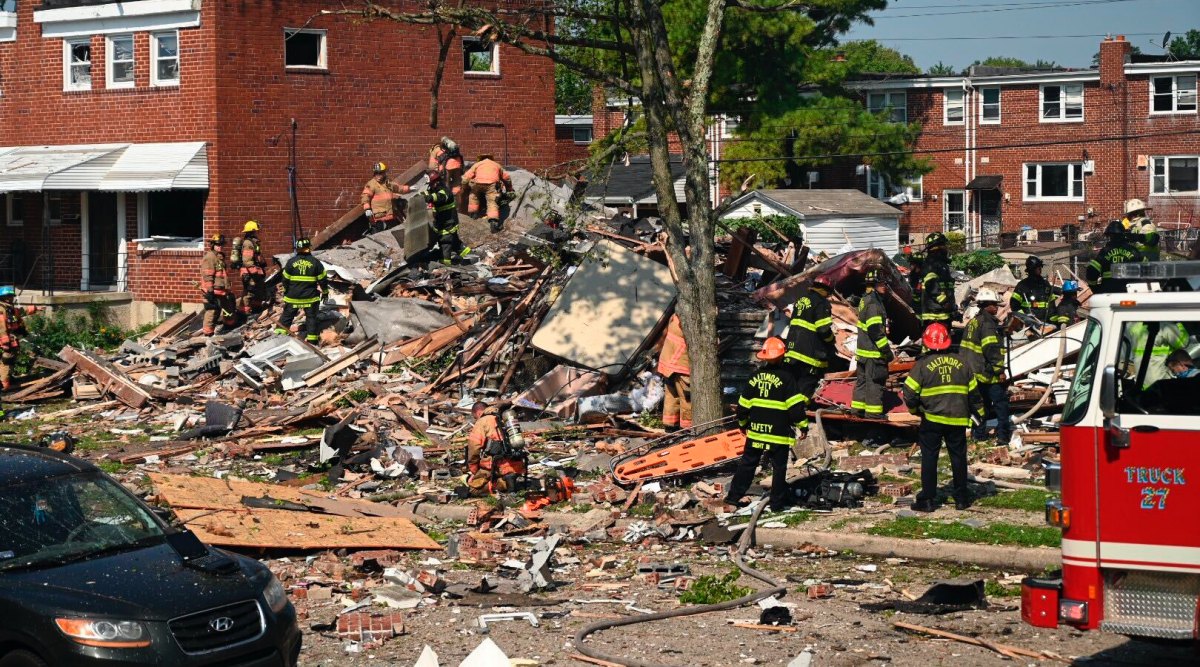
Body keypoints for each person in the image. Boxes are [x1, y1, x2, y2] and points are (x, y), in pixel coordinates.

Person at [902, 323, 984, 512]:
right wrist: (979, 415)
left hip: (932, 419)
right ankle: (961, 498)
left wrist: (915, 411)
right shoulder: (962, 363)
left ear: (927, 343)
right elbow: (974, 394)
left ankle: (928, 500)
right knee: (958, 458)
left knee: (930, 458)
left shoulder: (922, 365)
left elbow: (909, 392)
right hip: (957, 419)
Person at [724, 337, 809, 512]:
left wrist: (743, 424)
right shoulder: (787, 378)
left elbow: (743, 406)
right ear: (782, 356)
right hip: (778, 434)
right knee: (779, 469)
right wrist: (803, 426)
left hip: (755, 432)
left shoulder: (754, 377)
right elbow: (795, 408)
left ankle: (733, 498)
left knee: (747, 464)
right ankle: (777, 504)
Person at [961, 288, 1010, 445]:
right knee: (1001, 404)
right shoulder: (987, 323)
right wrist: (1000, 370)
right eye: (994, 305)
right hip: (986, 372)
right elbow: (991, 349)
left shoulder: (974, 322)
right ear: (986, 305)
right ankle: (1003, 436)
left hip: (972, 372)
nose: (997, 308)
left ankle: (979, 435)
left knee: (980, 405)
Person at [785, 275, 835, 401]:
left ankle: (787, 410)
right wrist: (831, 340)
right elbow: (823, 329)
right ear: (827, 290)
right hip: (810, 353)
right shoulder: (821, 303)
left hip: (792, 349)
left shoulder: (801, 299)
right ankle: (800, 413)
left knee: (792, 383)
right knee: (806, 385)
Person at [852, 269, 892, 420]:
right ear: (874, 285)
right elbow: (875, 330)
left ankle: (858, 410)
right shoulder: (874, 304)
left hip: (863, 352)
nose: (885, 286)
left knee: (862, 382)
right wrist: (886, 351)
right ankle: (873, 413)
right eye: (882, 284)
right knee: (875, 382)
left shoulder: (865, 299)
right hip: (873, 353)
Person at [465, 401, 527, 494]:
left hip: (497, 466)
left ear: (478, 413)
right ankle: (513, 481)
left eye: (475, 417)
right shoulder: (504, 418)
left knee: (473, 490)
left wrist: (474, 470)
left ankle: (504, 484)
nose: (476, 420)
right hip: (516, 464)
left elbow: (474, 447)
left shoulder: (482, 421)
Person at [274, 238, 327, 343]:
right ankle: (312, 342)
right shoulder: (316, 263)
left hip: (293, 297)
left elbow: (285, 280)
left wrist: (287, 291)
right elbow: (323, 280)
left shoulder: (291, 262)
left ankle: (278, 339)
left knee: (287, 317)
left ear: (297, 249)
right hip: (310, 298)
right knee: (311, 318)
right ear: (308, 248)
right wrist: (325, 292)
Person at [423, 169, 470, 265]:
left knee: (446, 240)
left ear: (435, 181)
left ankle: (446, 262)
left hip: (448, 220)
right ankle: (468, 255)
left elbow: (441, 197)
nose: (430, 186)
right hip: (442, 219)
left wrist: (430, 198)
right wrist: (421, 196)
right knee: (454, 241)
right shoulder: (433, 188)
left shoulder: (443, 190)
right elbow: (428, 194)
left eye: (431, 183)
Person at [1086, 220, 1144, 294]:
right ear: (1123, 234)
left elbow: (1092, 270)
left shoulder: (1105, 252)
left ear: (1109, 236)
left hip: (1109, 291)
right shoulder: (1133, 250)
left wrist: (1095, 288)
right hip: (1131, 292)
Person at [658, 313, 692, 431]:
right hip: (681, 365)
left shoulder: (675, 316)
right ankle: (687, 428)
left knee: (671, 395)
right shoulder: (691, 322)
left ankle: (670, 426)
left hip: (667, 363)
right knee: (687, 399)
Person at [463, 153, 513, 232]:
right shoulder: (496, 165)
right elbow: (507, 178)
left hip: (477, 184)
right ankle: (493, 223)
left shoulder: (477, 164)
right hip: (492, 185)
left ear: (480, 159)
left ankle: (473, 214)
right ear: (491, 158)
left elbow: (466, 177)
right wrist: (509, 188)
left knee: (473, 196)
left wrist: (464, 187)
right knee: (492, 202)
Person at [199, 234, 236, 336]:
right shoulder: (210, 257)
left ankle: (230, 328)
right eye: (217, 244)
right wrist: (210, 291)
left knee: (228, 309)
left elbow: (222, 274)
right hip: (212, 290)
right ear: (213, 245)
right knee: (212, 311)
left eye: (221, 244)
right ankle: (207, 333)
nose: (220, 246)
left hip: (221, 290)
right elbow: (208, 275)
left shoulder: (219, 257)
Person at [0, 286, 35, 393]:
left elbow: (20, 312)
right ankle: (4, 385)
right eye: (7, 296)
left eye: (11, 296)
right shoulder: (2, 310)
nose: (10, 298)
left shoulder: (10, 308)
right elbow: (1, 326)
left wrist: (34, 309)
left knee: (11, 359)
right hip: (4, 340)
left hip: (12, 338)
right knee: (7, 360)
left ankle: (8, 379)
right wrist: (5, 342)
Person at [230, 220, 268, 316]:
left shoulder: (253, 242)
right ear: (252, 231)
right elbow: (247, 261)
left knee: (257, 289)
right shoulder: (248, 243)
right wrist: (255, 273)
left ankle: (256, 308)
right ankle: (244, 312)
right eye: (256, 230)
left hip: (253, 270)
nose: (258, 231)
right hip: (248, 271)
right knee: (249, 291)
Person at [920, 232, 956, 327]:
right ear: (938, 247)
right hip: (934, 317)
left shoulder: (941, 264)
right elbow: (931, 285)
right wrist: (945, 302)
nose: (946, 248)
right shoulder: (931, 264)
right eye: (944, 245)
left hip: (943, 315)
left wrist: (953, 308)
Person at [1010, 255, 1056, 326]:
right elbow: (1014, 305)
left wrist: (1053, 320)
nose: (1040, 269)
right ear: (1031, 269)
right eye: (1038, 268)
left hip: (1046, 321)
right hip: (1029, 323)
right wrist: (1025, 318)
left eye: (1040, 267)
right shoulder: (1023, 285)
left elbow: (1052, 303)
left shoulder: (1045, 284)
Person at [361, 162, 405, 235]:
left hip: (391, 217)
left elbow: (398, 188)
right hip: (380, 219)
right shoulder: (371, 184)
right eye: (376, 173)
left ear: (384, 173)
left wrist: (409, 188)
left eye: (380, 173)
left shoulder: (387, 183)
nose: (378, 175)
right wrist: (367, 209)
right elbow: (365, 196)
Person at [428, 136, 464, 202]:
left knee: (445, 183)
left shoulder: (436, 149)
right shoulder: (453, 148)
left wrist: (434, 172)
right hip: (457, 165)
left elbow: (432, 166)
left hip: (446, 167)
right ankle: (457, 202)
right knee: (457, 183)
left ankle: (447, 199)